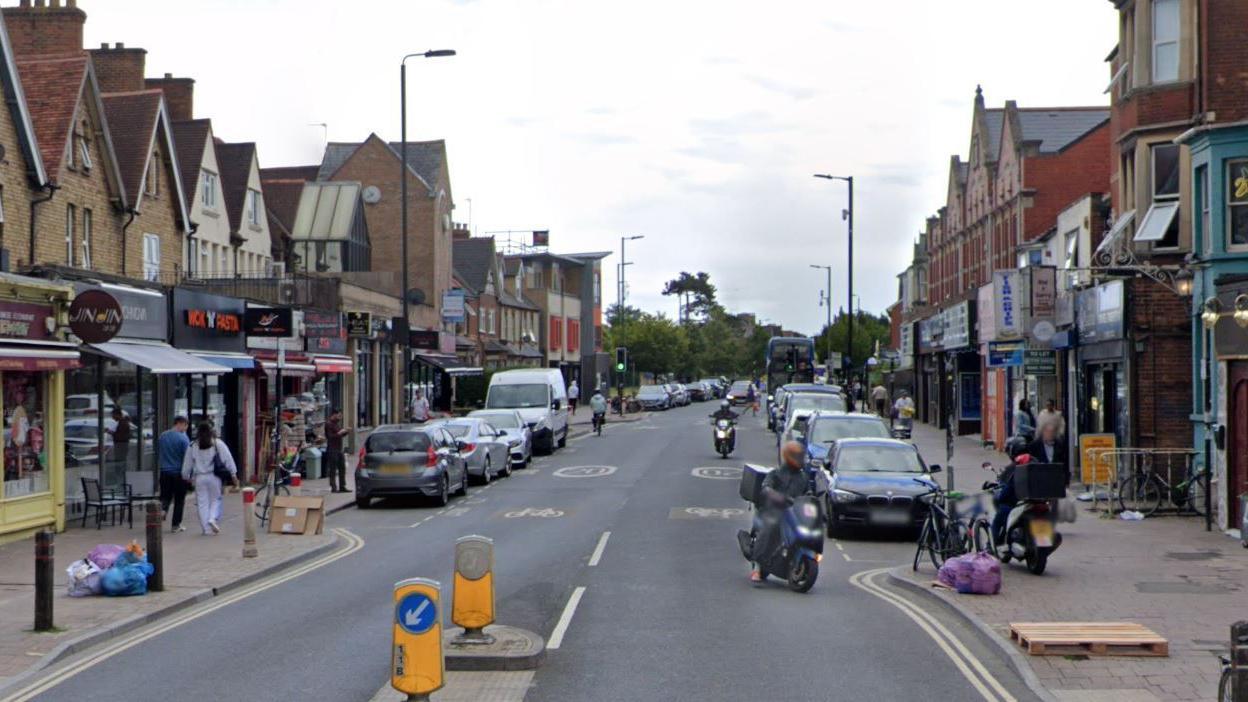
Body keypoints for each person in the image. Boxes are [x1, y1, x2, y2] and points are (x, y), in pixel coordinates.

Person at [750, 441, 811, 583]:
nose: (800, 458)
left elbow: (809, 493)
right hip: (773, 511)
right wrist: (775, 495)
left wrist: (813, 502)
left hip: (794, 513)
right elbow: (766, 487)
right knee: (769, 528)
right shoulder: (776, 474)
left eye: (801, 455)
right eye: (797, 456)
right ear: (789, 456)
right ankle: (758, 567)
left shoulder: (803, 478)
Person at [181, 422, 237, 535]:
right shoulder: (217, 443)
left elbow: (187, 464)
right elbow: (228, 458)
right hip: (214, 477)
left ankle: (206, 529)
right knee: (215, 499)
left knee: (202, 503)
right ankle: (212, 518)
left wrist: (186, 476)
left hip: (199, 478)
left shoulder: (193, 445)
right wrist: (233, 473)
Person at [157, 416, 191, 533]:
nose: (186, 428)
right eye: (186, 425)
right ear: (180, 423)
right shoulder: (183, 439)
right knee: (179, 500)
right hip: (179, 473)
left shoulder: (162, 436)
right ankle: (175, 525)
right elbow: (187, 457)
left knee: (165, 496)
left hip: (164, 471)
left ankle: (163, 511)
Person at [991, 448, 1030, 545]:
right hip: (1033, 504)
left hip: (1014, 505)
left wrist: (1000, 497)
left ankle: (992, 546)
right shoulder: (1036, 466)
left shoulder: (1014, 470)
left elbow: (1007, 491)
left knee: (997, 521)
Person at [1028, 417, 1069, 482]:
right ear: (1043, 432)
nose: (1050, 434)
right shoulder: (1034, 445)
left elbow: (1065, 464)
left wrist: (1066, 480)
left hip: (1056, 479)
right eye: (1048, 432)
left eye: (1052, 432)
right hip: (1040, 479)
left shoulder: (1060, 445)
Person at [324, 409, 349, 493]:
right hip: (332, 449)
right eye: (339, 416)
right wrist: (339, 433)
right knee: (333, 469)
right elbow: (330, 436)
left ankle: (342, 486)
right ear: (333, 415)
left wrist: (346, 432)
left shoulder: (337, 424)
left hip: (339, 449)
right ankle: (333, 487)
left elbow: (340, 434)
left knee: (342, 467)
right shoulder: (328, 424)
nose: (340, 418)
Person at [106, 407, 131, 471]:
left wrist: (110, 432)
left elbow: (120, 436)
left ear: (118, 414)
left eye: (113, 415)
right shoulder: (122, 422)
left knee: (120, 463)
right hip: (121, 446)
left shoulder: (123, 423)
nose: (113, 417)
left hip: (121, 446)